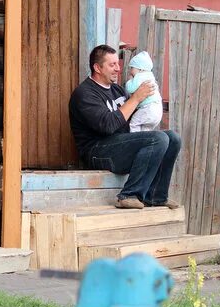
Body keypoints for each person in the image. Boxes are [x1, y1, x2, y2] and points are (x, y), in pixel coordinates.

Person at [69, 44, 182, 209]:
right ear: (97, 68)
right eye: (112, 64)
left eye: (118, 64)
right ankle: (128, 195)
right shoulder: (85, 93)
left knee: (173, 138)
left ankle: (156, 196)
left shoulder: (117, 90)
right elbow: (108, 126)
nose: (118, 69)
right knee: (157, 139)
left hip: (120, 145)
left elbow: (133, 117)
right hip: (97, 151)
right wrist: (135, 98)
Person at [124, 51, 163, 132]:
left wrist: (130, 80)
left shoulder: (140, 76)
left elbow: (130, 88)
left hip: (148, 108)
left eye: (132, 68)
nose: (131, 71)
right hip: (158, 110)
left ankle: (134, 140)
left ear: (140, 69)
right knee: (145, 130)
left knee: (134, 123)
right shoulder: (150, 76)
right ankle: (143, 142)